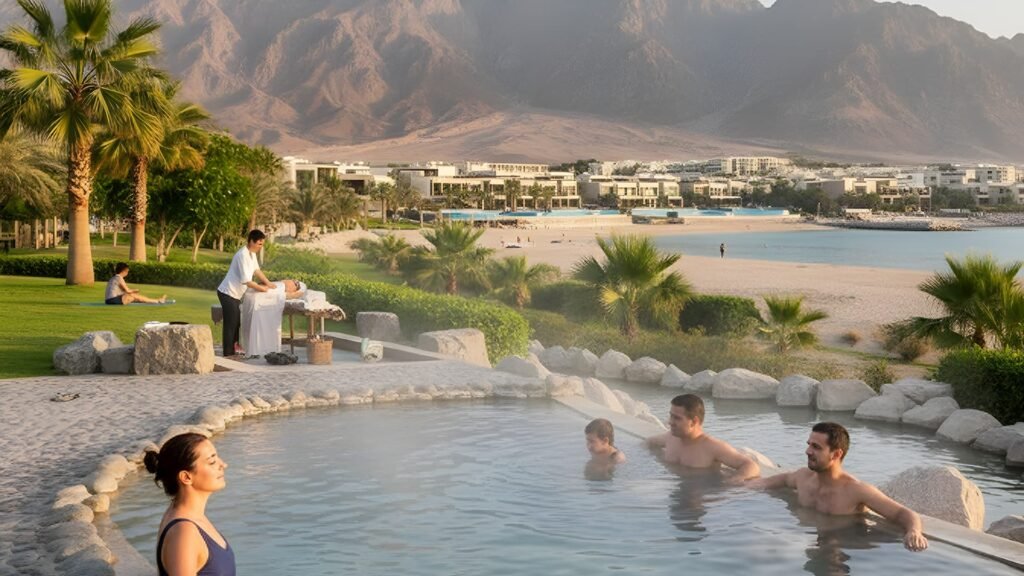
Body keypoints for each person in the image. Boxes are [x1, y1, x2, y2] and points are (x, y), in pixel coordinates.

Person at [750, 422, 928, 552]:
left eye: (816, 447)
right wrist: (752, 485)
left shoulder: (856, 490)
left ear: (836, 454)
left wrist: (914, 531)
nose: (808, 451)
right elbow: (782, 479)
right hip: (806, 542)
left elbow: (902, 513)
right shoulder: (803, 477)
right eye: (809, 445)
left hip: (843, 545)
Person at [144, 433, 235, 575]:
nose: (223, 464)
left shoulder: (189, 515)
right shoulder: (185, 532)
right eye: (212, 462)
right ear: (186, 477)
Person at [646, 394, 760, 483]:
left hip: (700, 494)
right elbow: (649, 443)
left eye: (677, 418)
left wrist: (733, 481)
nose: (670, 422)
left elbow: (751, 466)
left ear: (694, 421)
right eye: (671, 416)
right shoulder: (670, 438)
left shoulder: (712, 447)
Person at [217, 230, 275, 357]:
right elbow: (246, 281)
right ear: (251, 241)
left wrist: (268, 283)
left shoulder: (252, 254)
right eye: (259, 244)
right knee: (231, 323)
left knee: (236, 322)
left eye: (262, 244)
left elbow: (257, 270)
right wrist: (262, 289)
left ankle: (234, 349)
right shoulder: (242, 255)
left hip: (235, 295)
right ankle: (228, 353)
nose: (261, 247)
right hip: (227, 293)